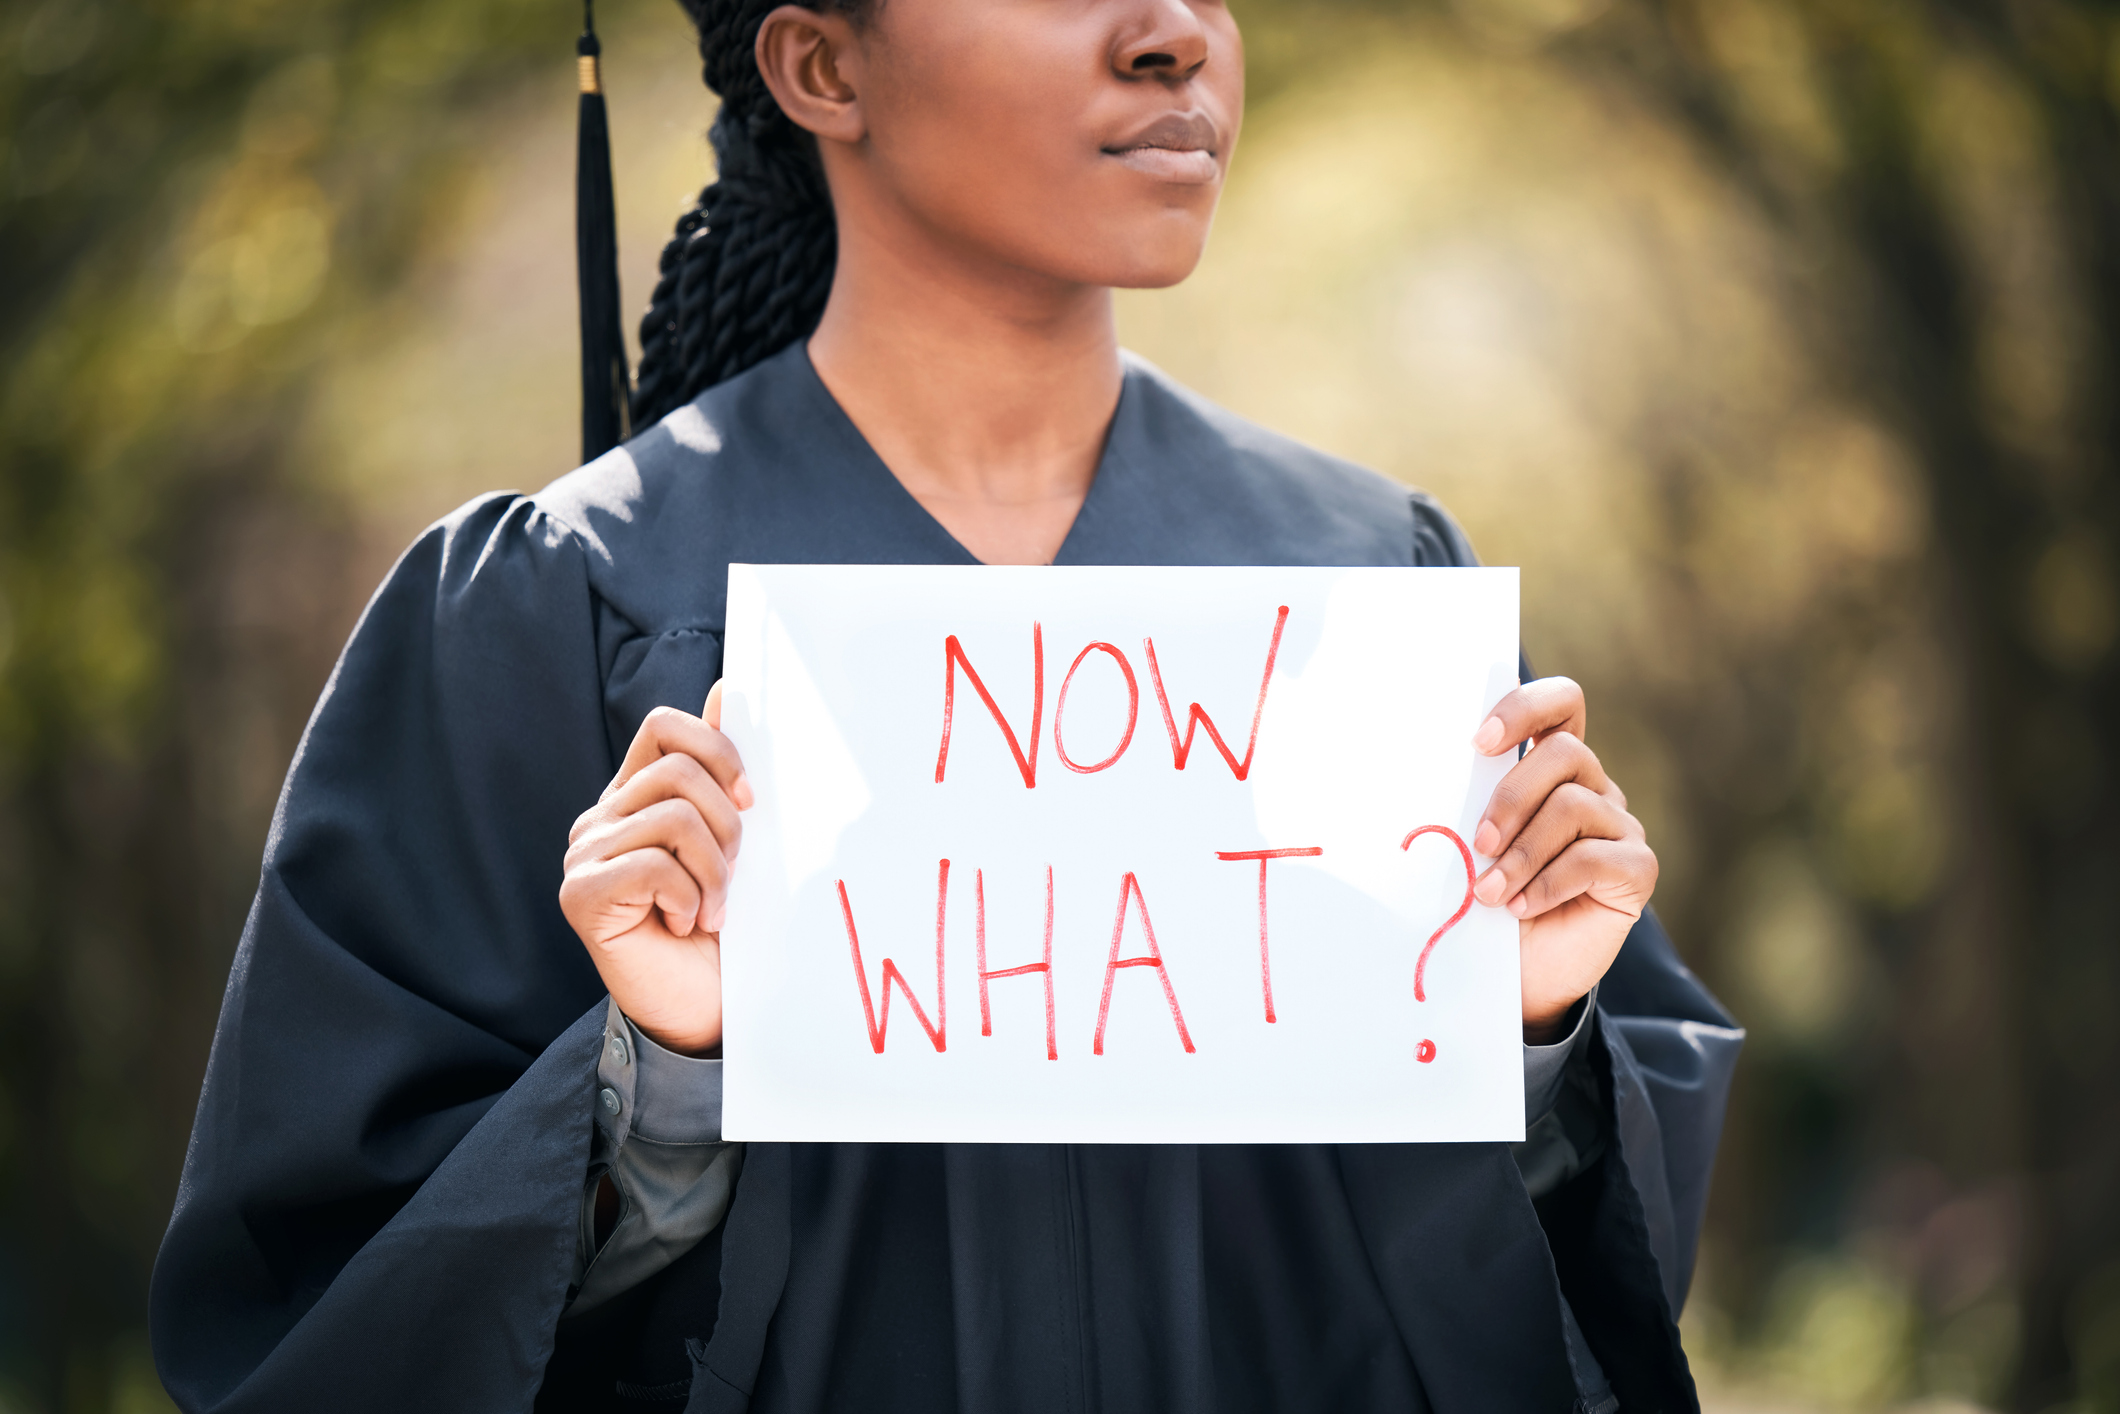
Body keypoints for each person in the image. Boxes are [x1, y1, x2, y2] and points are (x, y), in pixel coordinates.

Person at [149, 0, 1742, 1407]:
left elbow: (1557, 1296)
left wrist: (1523, 1029)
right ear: (822, 64)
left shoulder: (1368, 580)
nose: (1173, 32)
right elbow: (325, 1299)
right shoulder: (563, 606)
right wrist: (661, 1077)